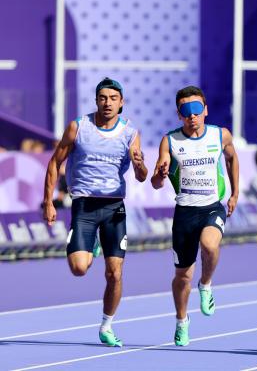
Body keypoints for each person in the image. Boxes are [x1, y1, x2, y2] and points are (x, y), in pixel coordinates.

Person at [42, 77, 148, 347]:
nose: (107, 103)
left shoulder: (130, 133)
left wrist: (140, 166)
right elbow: (55, 163)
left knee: (115, 273)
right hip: (85, 205)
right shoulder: (79, 127)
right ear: (96, 100)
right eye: (103, 98)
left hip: (114, 208)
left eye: (113, 98)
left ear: (121, 103)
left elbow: (142, 175)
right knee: (79, 268)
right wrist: (49, 201)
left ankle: (107, 325)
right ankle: (93, 247)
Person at [151, 86, 239, 347]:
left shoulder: (220, 135)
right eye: (186, 111)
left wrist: (235, 194)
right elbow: (156, 183)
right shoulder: (170, 141)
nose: (192, 116)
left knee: (210, 245)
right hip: (185, 212)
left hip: (212, 206)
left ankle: (207, 284)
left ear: (205, 110)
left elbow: (233, 159)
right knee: (182, 277)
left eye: (197, 110)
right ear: (179, 115)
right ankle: (181, 321)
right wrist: (161, 174)